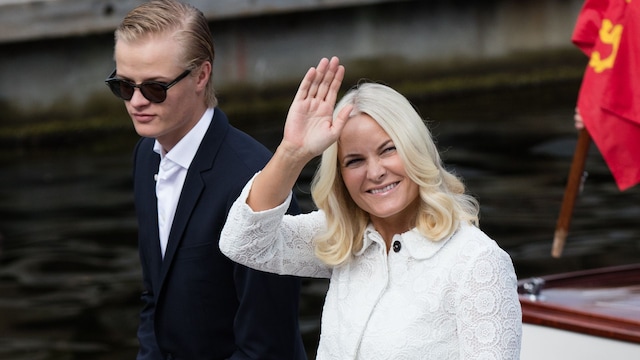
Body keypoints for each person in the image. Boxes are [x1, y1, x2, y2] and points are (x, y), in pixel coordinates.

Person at [220, 57, 522, 359]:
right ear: (341, 177)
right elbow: (243, 243)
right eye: (355, 161)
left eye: (388, 150)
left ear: (414, 149)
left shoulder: (477, 262)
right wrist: (293, 152)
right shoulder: (342, 237)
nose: (375, 172)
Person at [104, 1, 306, 359]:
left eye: (155, 88)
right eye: (123, 85)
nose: (136, 102)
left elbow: (267, 347)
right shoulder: (145, 154)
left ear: (201, 76)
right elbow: (155, 295)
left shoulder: (256, 180)